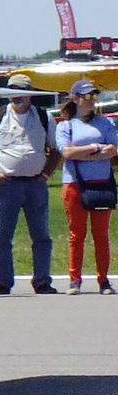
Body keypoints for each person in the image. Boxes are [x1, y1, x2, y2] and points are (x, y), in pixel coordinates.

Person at [0, 74, 57, 293]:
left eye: (20, 91)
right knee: (1, 235)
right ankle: (3, 282)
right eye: (12, 91)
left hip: (36, 185)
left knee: (41, 235)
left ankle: (42, 281)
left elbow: (55, 150)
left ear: (29, 95)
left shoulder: (44, 117)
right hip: (6, 185)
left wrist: (46, 175)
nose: (16, 96)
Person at [54, 78, 118, 294]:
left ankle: (104, 280)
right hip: (74, 185)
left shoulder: (105, 123)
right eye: (87, 96)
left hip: (101, 184)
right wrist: (95, 148)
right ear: (75, 99)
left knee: (101, 234)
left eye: (93, 96)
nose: (91, 100)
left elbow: (113, 150)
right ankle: (75, 280)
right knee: (76, 234)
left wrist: (85, 153)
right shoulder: (65, 125)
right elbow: (67, 153)